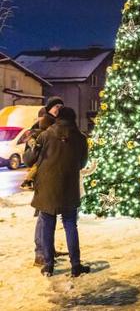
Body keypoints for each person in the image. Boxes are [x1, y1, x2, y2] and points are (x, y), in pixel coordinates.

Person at [30, 107, 89, 277]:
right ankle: (76, 265)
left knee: (47, 225)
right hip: (69, 187)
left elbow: (30, 159)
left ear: (58, 118)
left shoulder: (46, 135)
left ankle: (48, 265)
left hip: (47, 188)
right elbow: (83, 163)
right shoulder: (80, 138)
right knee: (70, 225)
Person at [21, 97, 64, 190]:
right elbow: (28, 158)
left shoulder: (62, 125)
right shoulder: (39, 127)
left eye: (60, 107)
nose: (58, 109)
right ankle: (28, 181)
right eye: (56, 106)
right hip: (45, 168)